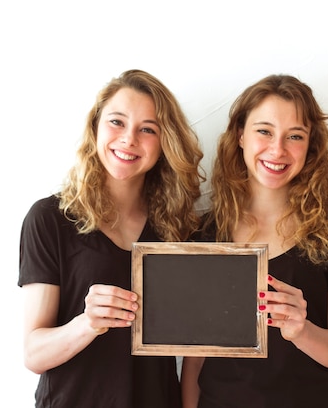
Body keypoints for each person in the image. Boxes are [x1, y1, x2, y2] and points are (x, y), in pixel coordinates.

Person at [181, 74, 328, 408]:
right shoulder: (205, 233)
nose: (278, 149)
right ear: (240, 135)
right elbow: (195, 360)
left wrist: (302, 330)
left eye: (294, 136)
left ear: (310, 145)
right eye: (264, 131)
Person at [18, 69, 205, 408]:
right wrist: (87, 324)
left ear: (165, 143)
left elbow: (200, 344)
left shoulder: (179, 228)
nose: (129, 139)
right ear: (96, 127)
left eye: (147, 129)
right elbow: (33, 354)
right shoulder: (50, 218)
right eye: (117, 122)